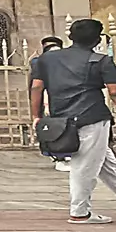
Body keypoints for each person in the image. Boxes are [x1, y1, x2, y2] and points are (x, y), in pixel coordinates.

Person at [30, 18, 116, 224]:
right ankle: (80, 212)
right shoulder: (100, 61)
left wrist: (36, 116)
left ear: (70, 37)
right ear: (97, 39)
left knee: (104, 164)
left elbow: (37, 87)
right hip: (91, 118)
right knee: (84, 166)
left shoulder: (47, 60)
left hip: (62, 119)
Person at [30, 34, 71, 172]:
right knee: (52, 129)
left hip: (63, 100)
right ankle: (58, 156)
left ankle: (64, 155)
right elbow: (35, 86)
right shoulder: (40, 63)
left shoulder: (64, 62)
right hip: (50, 100)